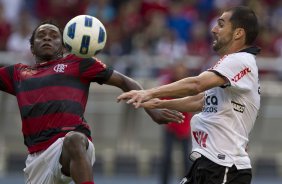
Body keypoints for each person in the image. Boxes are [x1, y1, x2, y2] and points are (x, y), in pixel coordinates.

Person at [0, 21, 184, 184]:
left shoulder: (78, 63)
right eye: (41, 36)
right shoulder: (17, 74)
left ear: (63, 46)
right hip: (37, 157)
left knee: (75, 139)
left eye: (54, 36)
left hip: (69, 146)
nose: (47, 38)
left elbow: (127, 82)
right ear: (32, 48)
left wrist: (154, 110)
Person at [117, 6, 260, 184]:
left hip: (224, 167)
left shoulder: (239, 60)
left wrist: (148, 92)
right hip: (210, 164)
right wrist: (157, 103)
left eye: (221, 25)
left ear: (238, 33)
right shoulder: (231, 64)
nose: (214, 29)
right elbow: (200, 100)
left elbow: (196, 85)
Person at [158, 62, 193, 184]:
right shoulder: (168, 85)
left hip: (184, 127)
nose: (180, 73)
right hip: (170, 127)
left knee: (186, 159)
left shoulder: (189, 86)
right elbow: (162, 104)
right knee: (166, 157)